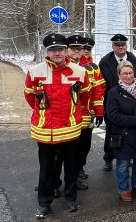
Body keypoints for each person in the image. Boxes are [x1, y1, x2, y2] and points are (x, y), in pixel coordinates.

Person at [24, 34, 90, 219]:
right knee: (46, 170)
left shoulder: (78, 72)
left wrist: (74, 114)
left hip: (70, 129)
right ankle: (44, 203)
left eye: (60, 49)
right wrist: (42, 115)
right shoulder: (35, 71)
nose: (57, 53)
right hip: (45, 131)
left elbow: (84, 96)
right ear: (48, 52)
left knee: (71, 167)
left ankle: (71, 199)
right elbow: (30, 97)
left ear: (66, 50)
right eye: (53, 50)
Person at [106, 60, 136, 202]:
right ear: (118, 75)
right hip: (123, 134)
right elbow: (113, 115)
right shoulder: (113, 93)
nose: (128, 76)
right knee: (122, 164)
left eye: (130, 73)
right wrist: (135, 121)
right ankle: (123, 189)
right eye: (124, 73)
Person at [98, 34, 136, 171]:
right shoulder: (105, 61)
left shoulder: (133, 59)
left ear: (126, 46)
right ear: (113, 47)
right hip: (113, 102)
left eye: (122, 44)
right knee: (111, 131)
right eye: (117, 45)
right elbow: (102, 83)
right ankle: (109, 157)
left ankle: (127, 156)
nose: (120, 47)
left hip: (130, 102)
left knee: (129, 132)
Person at [78, 37, 106, 180]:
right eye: (84, 48)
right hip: (74, 115)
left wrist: (99, 112)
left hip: (89, 114)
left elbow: (100, 90)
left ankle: (80, 168)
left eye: (89, 49)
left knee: (85, 144)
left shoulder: (94, 67)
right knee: (70, 147)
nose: (87, 51)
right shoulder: (74, 66)